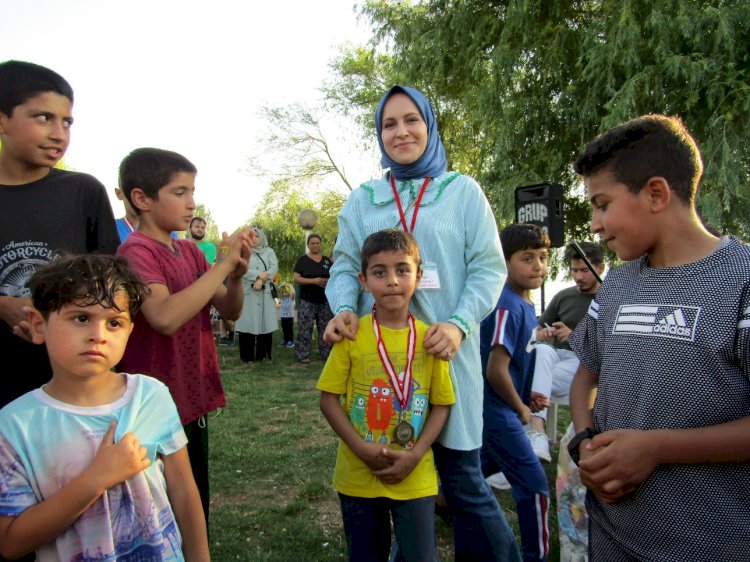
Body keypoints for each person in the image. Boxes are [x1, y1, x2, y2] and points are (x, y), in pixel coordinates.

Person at [324, 85, 519, 561]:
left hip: (443, 357)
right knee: (389, 483)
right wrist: (344, 308)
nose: (401, 131)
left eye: (411, 120)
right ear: (378, 134)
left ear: (429, 126)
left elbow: (489, 268)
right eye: (389, 124)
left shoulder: (462, 192)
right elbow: (346, 265)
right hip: (380, 363)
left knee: (463, 484)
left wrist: (457, 323)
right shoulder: (363, 201)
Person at [568, 114, 750, 560]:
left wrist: (656, 449)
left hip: (709, 543)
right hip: (612, 536)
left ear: (655, 193)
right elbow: (584, 377)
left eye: (602, 203)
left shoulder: (741, 281)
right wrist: (583, 440)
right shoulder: (616, 285)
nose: (594, 223)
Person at [0, 254, 209, 561]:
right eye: (81, 318)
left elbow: (183, 491)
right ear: (38, 324)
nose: (99, 335)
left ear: (129, 331)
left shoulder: (151, 396)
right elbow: (10, 541)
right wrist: (97, 478)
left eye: (114, 323)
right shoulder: (15, 425)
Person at [116, 147, 250, 523]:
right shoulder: (136, 251)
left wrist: (234, 275)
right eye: (180, 192)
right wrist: (221, 264)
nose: (192, 203)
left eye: (193, 191)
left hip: (191, 398)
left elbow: (231, 310)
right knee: (159, 514)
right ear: (141, 198)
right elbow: (163, 316)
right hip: (153, 404)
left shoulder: (190, 252)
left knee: (193, 503)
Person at [317, 229, 455, 562]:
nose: (392, 280)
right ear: (364, 280)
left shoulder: (430, 339)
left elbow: (441, 405)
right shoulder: (352, 335)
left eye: (402, 270)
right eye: (380, 272)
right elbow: (327, 399)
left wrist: (416, 454)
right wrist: (361, 448)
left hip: (415, 474)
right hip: (357, 475)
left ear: (418, 276)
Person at [0, 60, 119, 409]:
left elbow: (110, 284)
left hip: (73, 385)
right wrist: (4, 306)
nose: (59, 134)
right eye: (42, 118)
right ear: (2, 119)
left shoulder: (83, 192)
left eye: (66, 122)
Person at [480, 223, 551, 562]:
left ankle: (440, 501)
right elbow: (495, 370)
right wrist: (522, 410)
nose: (538, 265)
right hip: (496, 411)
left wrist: (526, 397)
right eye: (527, 258)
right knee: (535, 485)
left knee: (469, 473)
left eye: (542, 257)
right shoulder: (507, 305)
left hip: (501, 408)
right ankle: (535, 555)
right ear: (504, 262)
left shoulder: (524, 304)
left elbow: (515, 363)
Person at [526, 241, 606, 462]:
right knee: (541, 351)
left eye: (584, 270)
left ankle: (526, 443)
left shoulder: (610, 299)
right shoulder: (564, 296)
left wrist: (573, 336)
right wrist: (544, 334)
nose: (578, 276)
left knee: (524, 382)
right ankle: (537, 433)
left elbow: (609, 347)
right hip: (556, 358)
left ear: (600, 268)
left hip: (585, 365)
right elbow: (538, 329)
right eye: (574, 270)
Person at [235, 227, 279, 363]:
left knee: (265, 323)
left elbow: (274, 267)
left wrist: (261, 279)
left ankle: (263, 355)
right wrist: (257, 275)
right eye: (251, 236)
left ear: (262, 238)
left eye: (256, 236)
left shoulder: (269, 251)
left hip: (265, 292)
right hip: (248, 292)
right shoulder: (242, 251)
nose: (254, 238)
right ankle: (247, 357)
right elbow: (240, 268)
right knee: (247, 323)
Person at [293, 233, 334, 364]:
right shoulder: (302, 260)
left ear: (321, 244)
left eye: (317, 243)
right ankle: (303, 355)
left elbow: (335, 275)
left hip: (325, 301)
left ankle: (327, 354)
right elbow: (296, 278)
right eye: (312, 243)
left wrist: (328, 281)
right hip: (307, 301)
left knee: (325, 328)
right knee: (305, 328)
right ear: (308, 245)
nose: (315, 245)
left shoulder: (327, 260)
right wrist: (314, 281)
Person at [277, 282, 296, 348]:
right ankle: (285, 340)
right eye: (283, 291)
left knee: (289, 329)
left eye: (286, 291)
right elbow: (278, 292)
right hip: (283, 316)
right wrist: (281, 286)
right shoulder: (282, 298)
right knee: (284, 329)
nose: (284, 292)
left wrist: (289, 285)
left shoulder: (291, 298)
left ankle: (290, 342)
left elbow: (293, 291)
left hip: (289, 317)